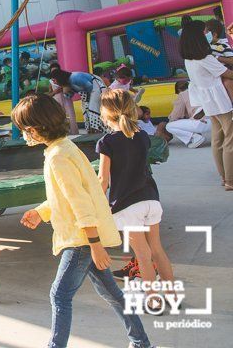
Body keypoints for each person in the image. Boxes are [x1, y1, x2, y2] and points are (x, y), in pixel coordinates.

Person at [13, 95, 152, 348]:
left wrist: (95, 244)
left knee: (60, 295)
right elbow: (68, 196)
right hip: (85, 236)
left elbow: (81, 203)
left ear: (33, 129)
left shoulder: (57, 157)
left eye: (24, 129)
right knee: (112, 293)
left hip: (81, 239)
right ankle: (141, 342)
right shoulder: (65, 147)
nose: (24, 134)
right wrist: (41, 212)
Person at [98, 89, 175, 292]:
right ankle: (172, 294)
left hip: (127, 204)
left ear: (105, 114)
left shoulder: (106, 142)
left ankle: (153, 298)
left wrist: (98, 205)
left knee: (142, 254)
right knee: (157, 250)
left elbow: (103, 180)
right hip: (151, 199)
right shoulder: (142, 136)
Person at [180, 16, 233, 189]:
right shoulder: (205, 58)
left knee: (217, 139)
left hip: (208, 102)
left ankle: (224, 177)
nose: (207, 34)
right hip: (219, 100)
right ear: (198, 36)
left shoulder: (189, 59)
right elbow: (228, 74)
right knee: (230, 139)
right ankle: (230, 180)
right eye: (205, 32)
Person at [49, 64, 108, 133]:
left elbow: (90, 87)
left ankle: (99, 131)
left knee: (92, 109)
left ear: (59, 78)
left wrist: (87, 100)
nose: (53, 82)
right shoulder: (67, 83)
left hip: (95, 87)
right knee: (86, 112)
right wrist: (66, 92)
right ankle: (91, 132)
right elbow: (70, 96)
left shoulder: (75, 77)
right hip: (87, 93)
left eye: (54, 80)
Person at [159, 81, 210, 147]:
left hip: (200, 122)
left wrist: (169, 121)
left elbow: (175, 115)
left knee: (169, 126)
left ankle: (195, 137)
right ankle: (196, 134)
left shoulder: (182, 94)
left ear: (179, 90)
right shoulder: (198, 90)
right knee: (190, 119)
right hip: (213, 121)